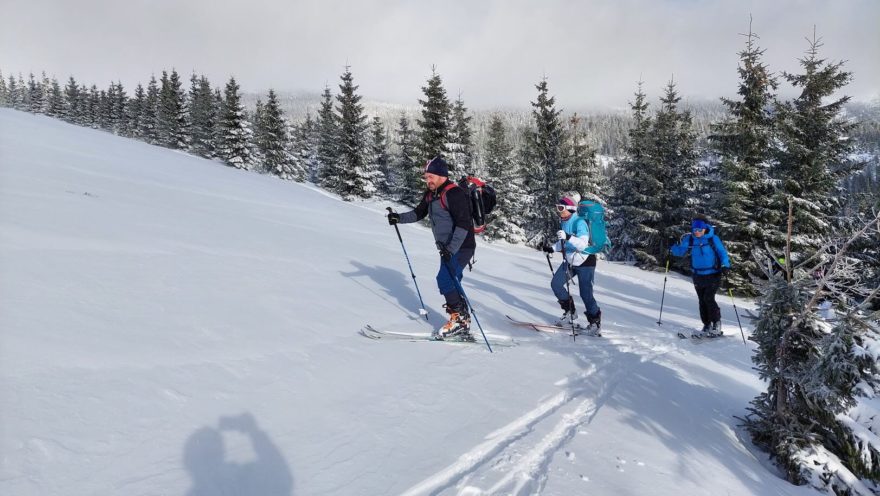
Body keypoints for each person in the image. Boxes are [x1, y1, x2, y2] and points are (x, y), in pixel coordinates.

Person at [387, 156, 476, 340]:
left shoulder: (454, 193)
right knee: (453, 280)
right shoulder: (431, 194)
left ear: (442, 176)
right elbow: (418, 213)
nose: (428, 180)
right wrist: (398, 218)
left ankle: (459, 320)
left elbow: (463, 224)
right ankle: (463, 317)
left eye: (431, 176)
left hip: (462, 245)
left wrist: (450, 249)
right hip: (448, 248)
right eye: (426, 177)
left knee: (444, 279)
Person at [541, 193, 602, 335]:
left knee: (585, 294)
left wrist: (568, 237)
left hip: (585, 261)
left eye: (561, 207)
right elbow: (563, 242)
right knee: (556, 284)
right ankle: (570, 312)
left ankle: (595, 321)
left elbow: (582, 244)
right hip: (570, 260)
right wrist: (552, 248)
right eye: (557, 207)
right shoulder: (564, 221)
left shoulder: (580, 222)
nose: (559, 210)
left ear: (570, 208)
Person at [669, 217, 731, 337]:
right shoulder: (690, 239)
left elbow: (722, 252)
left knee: (709, 298)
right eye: (694, 229)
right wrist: (672, 245)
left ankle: (716, 324)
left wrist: (725, 264)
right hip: (698, 275)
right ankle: (706, 324)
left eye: (699, 229)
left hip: (713, 274)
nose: (696, 232)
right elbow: (680, 252)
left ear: (704, 228)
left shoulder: (713, 238)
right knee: (702, 300)